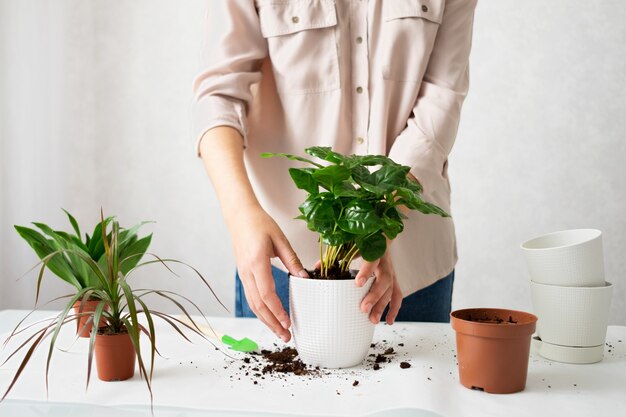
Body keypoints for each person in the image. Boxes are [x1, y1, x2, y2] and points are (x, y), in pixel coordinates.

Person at [192, 0, 477, 342]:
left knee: (417, 392)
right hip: (285, 264)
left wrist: (378, 221)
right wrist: (240, 216)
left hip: (411, 266)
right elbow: (218, 96)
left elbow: (441, 100)